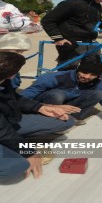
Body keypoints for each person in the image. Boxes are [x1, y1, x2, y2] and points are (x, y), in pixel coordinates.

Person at [0, 52, 78, 181]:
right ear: (12, 74)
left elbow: (14, 98)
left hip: (6, 123)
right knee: (16, 167)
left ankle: (12, 144)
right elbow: (2, 131)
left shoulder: (4, 81)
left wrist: (40, 107)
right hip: (3, 129)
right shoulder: (6, 77)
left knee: (66, 121)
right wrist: (29, 152)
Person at [21, 59, 102, 134]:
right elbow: (26, 95)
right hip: (48, 104)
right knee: (57, 94)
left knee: (100, 94)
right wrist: (40, 106)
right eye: (84, 72)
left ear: (97, 76)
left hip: (68, 105)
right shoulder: (55, 77)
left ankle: (73, 118)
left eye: (92, 75)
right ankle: (52, 121)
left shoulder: (97, 83)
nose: (86, 77)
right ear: (78, 70)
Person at [41, 0, 102, 70]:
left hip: (91, 42)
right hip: (72, 43)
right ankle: (64, 83)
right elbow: (47, 20)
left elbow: (97, 22)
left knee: (92, 69)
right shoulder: (70, 4)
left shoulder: (96, 6)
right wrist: (58, 38)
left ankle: (85, 84)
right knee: (68, 69)